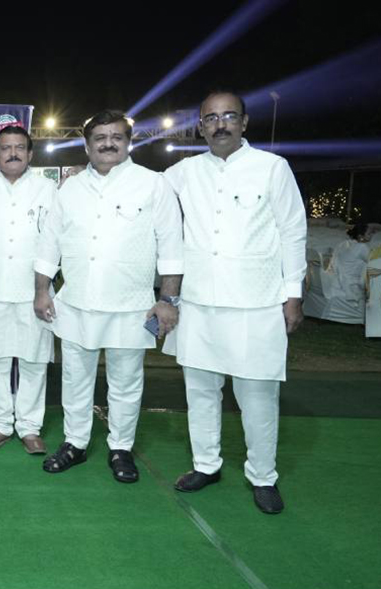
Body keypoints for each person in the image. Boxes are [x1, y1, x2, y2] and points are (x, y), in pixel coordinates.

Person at [163, 91, 306, 514]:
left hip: (256, 303)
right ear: (200, 127)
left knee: (257, 396)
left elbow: (293, 231)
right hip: (199, 302)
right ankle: (206, 465)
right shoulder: (184, 172)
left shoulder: (272, 167)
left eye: (228, 116)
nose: (220, 124)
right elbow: (143, 191)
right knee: (200, 392)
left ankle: (263, 476)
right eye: (211, 118)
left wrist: (293, 294)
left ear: (244, 122)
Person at [34, 110, 183, 483]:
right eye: (99, 138)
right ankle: (75, 443)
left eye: (116, 137)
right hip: (77, 302)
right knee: (75, 378)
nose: (108, 144)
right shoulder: (69, 189)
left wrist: (167, 300)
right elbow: (50, 243)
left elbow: (172, 246)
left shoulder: (153, 184)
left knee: (126, 381)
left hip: (131, 305)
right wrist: (41, 290)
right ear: (87, 145)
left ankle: (121, 448)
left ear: (128, 142)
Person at [0, 126, 57, 455]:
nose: (13, 153)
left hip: (36, 290)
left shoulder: (48, 190)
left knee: (34, 361)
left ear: (30, 154)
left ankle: (30, 427)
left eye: (20, 147)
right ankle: (0, 425)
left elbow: (54, 242)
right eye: (6, 148)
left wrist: (43, 289)